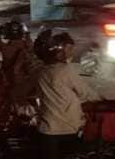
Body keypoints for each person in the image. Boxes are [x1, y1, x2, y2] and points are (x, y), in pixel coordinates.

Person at [34, 30, 101, 159]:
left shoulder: (39, 72)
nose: (71, 52)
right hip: (69, 128)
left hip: (47, 130)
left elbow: (20, 92)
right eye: (68, 49)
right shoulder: (65, 70)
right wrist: (102, 100)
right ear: (58, 52)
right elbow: (85, 92)